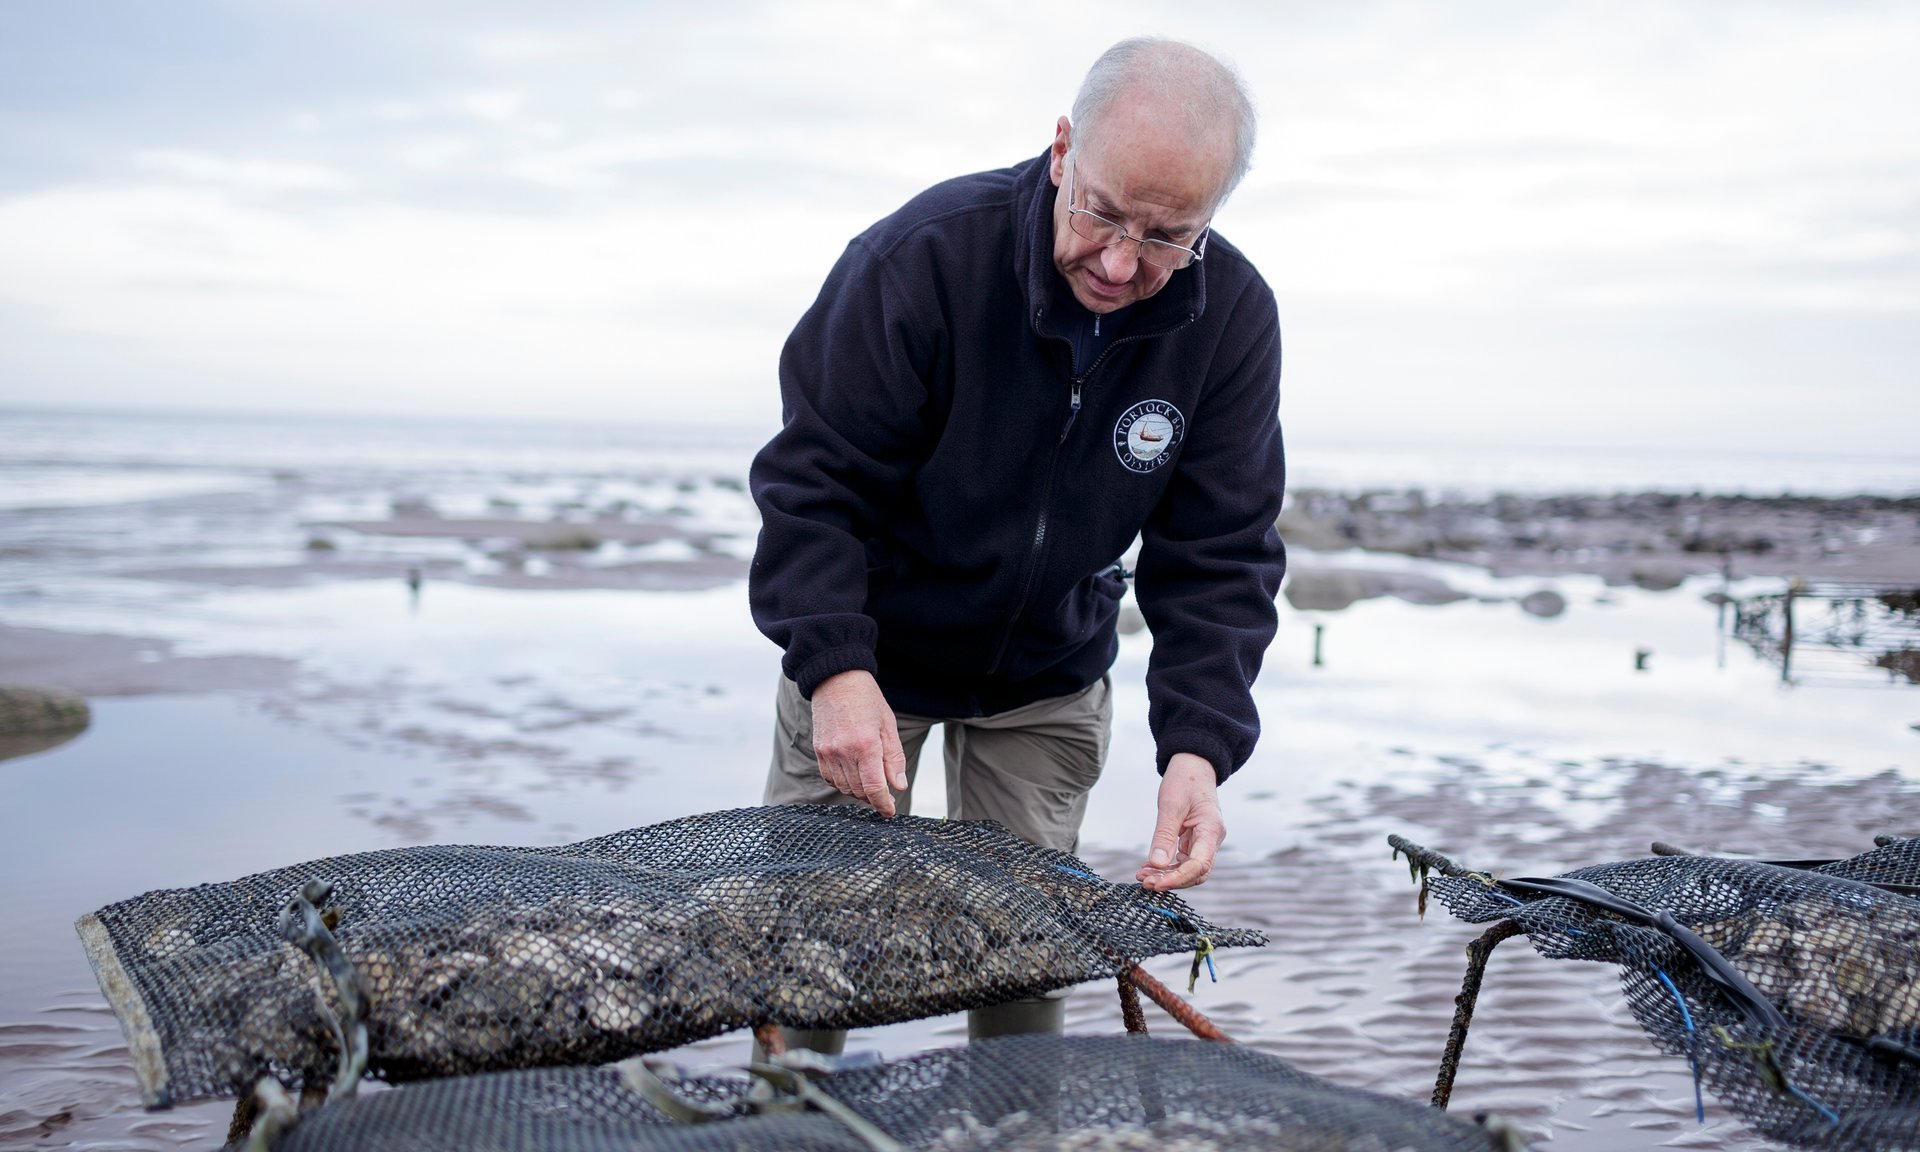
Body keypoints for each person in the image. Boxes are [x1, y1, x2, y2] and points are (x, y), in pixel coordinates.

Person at [747, 36, 1285, 1042]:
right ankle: (794, 1110)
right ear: (1061, 151)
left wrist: (1199, 752)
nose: (1122, 262)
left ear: (1211, 216)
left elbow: (1222, 549)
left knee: (1023, 961)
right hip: (871, 656)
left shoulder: (1232, 318)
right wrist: (831, 665)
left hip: (1046, 676)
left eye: (1167, 236)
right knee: (807, 939)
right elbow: (813, 478)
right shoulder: (921, 260)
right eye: (1104, 213)